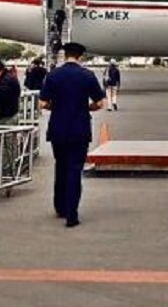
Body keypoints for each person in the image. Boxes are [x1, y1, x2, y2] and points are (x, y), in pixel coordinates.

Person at [39, 42, 104, 227]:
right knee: (75, 169)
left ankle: (59, 206)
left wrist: (56, 107)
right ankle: (71, 214)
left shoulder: (53, 75)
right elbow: (100, 103)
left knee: (61, 166)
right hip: (79, 129)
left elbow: (42, 103)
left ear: (65, 55)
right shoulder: (87, 75)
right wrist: (86, 107)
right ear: (80, 56)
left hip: (58, 129)